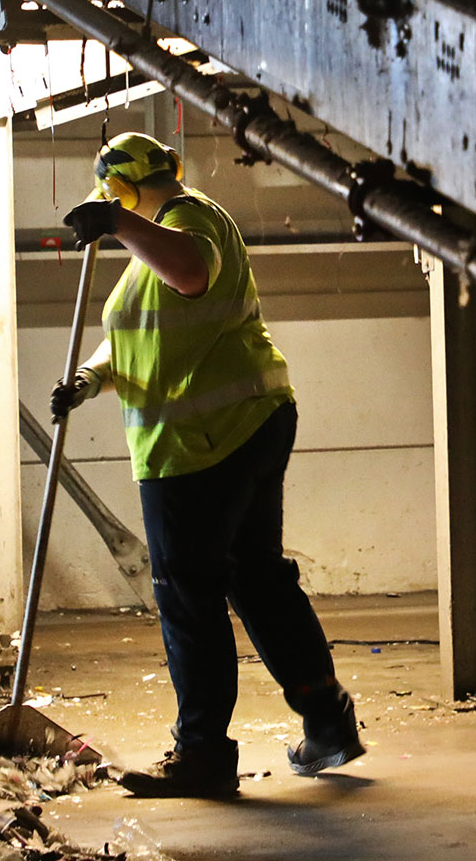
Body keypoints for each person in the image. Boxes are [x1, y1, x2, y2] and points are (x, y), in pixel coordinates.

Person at [51, 131, 364, 798]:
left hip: (201, 444)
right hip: (237, 427)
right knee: (257, 580)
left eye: (112, 196)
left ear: (121, 188)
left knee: (189, 596)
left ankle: (202, 755)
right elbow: (143, 337)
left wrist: (116, 223)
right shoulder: (150, 246)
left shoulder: (188, 218)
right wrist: (86, 378)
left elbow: (191, 272)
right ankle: (327, 721)